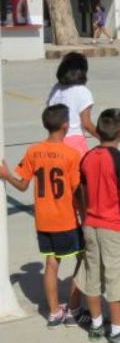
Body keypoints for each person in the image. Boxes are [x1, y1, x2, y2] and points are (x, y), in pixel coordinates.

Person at [0, 104, 85, 328]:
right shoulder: (71, 154)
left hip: (44, 220)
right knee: (83, 260)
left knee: (51, 263)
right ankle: (73, 308)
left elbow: (22, 184)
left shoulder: (33, 151)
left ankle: (54, 312)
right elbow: (77, 191)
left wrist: (6, 174)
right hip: (65, 219)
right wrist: (85, 217)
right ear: (66, 126)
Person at [74, 108, 120, 343]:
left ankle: (95, 326)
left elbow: (80, 192)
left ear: (99, 131)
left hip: (91, 225)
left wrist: (86, 218)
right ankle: (118, 332)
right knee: (117, 279)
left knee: (93, 277)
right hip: (114, 228)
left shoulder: (88, 157)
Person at [46, 52, 99, 157]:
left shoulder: (56, 88)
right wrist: (103, 137)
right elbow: (86, 124)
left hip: (55, 140)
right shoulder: (83, 92)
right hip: (74, 143)